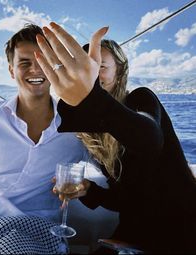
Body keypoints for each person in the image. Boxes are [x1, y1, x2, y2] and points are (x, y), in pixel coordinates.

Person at [35, 22, 196, 253]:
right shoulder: (92, 128)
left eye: (101, 67)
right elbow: (126, 198)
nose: (93, 76)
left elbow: (149, 140)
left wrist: (90, 97)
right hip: (135, 231)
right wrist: (88, 190)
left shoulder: (142, 99)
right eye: (86, 69)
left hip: (182, 227)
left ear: (119, 70)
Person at [0, 23, 89, 246]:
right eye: (25, 63)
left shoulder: (78, 127)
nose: (36, 70)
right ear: (11, 70)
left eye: (43, 62)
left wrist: (88, 184)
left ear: (55, 66)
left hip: (47, 231)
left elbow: (99, 169)